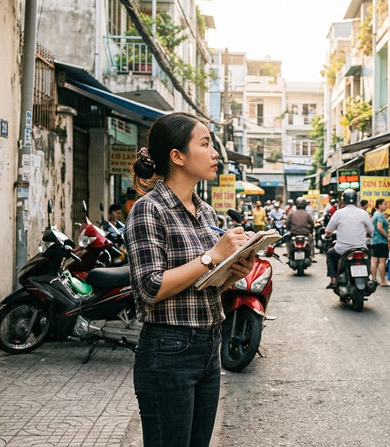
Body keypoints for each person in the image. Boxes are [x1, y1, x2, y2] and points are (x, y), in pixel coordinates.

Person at [125, 112, 255, 446]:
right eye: (206, 144)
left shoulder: (207, 212)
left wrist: (230, 273)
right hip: (169, 351)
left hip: (209, 346)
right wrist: (213, 255)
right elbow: (149, 287)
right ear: (177, 156)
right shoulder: (148, 210)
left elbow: (202, 286)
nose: (215, 154)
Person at [324, 189, 373, 289]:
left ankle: (333, 280)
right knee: (368, 257)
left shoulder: (338, 213)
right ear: (356, 201)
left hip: (342, 250)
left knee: (330, 254)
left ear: (343, 201)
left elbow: (328, 230)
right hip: (361, 248)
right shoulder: (363, 213)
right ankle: (368, 277)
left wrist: (327, 236)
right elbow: (371, 230)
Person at [370, 198, 390, 287]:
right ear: (379, 205)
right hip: (381, 241)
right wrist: (387, 236)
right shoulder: (379, 216)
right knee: (382, 261)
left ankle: (374, 279)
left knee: (374, 260)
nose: (386, 206)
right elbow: (379, 227)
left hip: (374, 240)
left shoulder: (376, 214)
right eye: (384, 204)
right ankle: (382, 281)